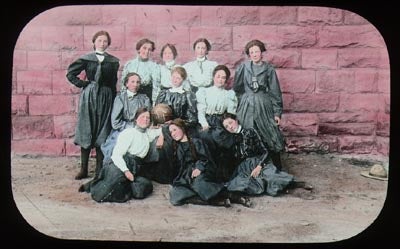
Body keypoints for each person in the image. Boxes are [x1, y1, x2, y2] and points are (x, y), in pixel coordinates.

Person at [66, 30, 120, 180]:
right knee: (87, 129)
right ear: (94, 42)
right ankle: (83, 169)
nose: (102, 43)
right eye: (99, 41)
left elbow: (113, 82)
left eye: (105, 41)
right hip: (89, 97)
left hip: (106, 97)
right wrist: (83, 84)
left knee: (103, 130)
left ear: (108, 43)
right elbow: (70, 74)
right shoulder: (86, 59)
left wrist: (113, 99)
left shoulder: (113, 61)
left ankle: (99, 170)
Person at [79, 108, 162, 203]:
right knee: (106, 192)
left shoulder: (148, 134)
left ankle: (109, 181)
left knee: (143, 188)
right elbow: (116, 155)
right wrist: (126, 171)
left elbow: (162, 130)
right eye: (142, 117)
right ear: (136, 119)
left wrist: (162, 136)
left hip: (136, 167)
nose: (145, 119)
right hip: (121, 164)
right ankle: (94, 185)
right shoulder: (129, 133)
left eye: (148, 118)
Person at [221, 112, 313, 197]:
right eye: (226, 126)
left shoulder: (250, 132)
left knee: (271, 176)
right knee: (239, 184)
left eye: (230, 122)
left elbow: (265, 151)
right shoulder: (230, 139)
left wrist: (259, 166)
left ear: (236, 120)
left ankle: (297, 184)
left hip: (258, 161)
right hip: (244, 167)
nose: (230, 127)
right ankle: (282, 189)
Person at [167, 118, 250, 207]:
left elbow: (206, 158)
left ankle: (233, 196)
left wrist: (199, 168)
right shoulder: (177, 148)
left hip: (202, 171)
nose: (173, 134)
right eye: (171, 132)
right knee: (174, 195)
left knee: (199, 184)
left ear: (182, 128)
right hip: (186, 176)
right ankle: (213, 201)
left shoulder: (196, 142)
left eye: (175, 130)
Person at [233, 39, 285, 169]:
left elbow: (275, 91)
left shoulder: (269, 69)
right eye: (251, 52)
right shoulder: (243, 68)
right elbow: (237, 88)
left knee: (269, 132)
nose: (255, 54)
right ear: (248, 54)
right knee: (247, 133)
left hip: (263, 104)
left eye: (257, 51)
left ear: (261, 52)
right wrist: (242, 103)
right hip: (246, 105)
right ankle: (247, 167)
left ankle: (276, 168)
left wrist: (277, 113)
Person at [196, 65, 238, 181]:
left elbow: (230, 114)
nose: (220, 80)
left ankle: (224, 175)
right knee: (207, 137)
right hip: (207, 121)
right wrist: (204, 123)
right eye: (218, 76)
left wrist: (229, 124)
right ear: (213, 77)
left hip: (222, 121)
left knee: (227, 140)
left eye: (223, 78)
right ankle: (209, 173)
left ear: (226, 80)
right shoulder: (205, 91)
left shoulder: (229, 94)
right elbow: (201, 111)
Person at [100, 72, 151, 165]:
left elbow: (148, 117)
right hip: (122, 129)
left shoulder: (144, 99)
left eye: (138, 82)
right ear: (126, 84)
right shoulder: (120, 98)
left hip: (141, 129)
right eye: (132, 82)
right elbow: (115, 122)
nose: (135, 84)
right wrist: (131, 127)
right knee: (115, 147)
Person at [155, 66, 199, 136]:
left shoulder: (188, 95)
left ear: (183, 80)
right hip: (163, 127)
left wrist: (174, 123)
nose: (175, 80)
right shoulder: (163, 93)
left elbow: (192, 119)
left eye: (178, 78)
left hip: (181, 128)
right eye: (173, 77)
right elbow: (157, 112)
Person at [121, 38, 161, 104]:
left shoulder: (154, 66)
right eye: (144, 48)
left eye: (149, 49)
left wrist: (154, 103)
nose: (147, 51)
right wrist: (124, 101)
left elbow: (156, 87)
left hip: (146, 98)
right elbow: (123, 84)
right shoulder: (130, 64)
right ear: (139, 49)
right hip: (130, 98)